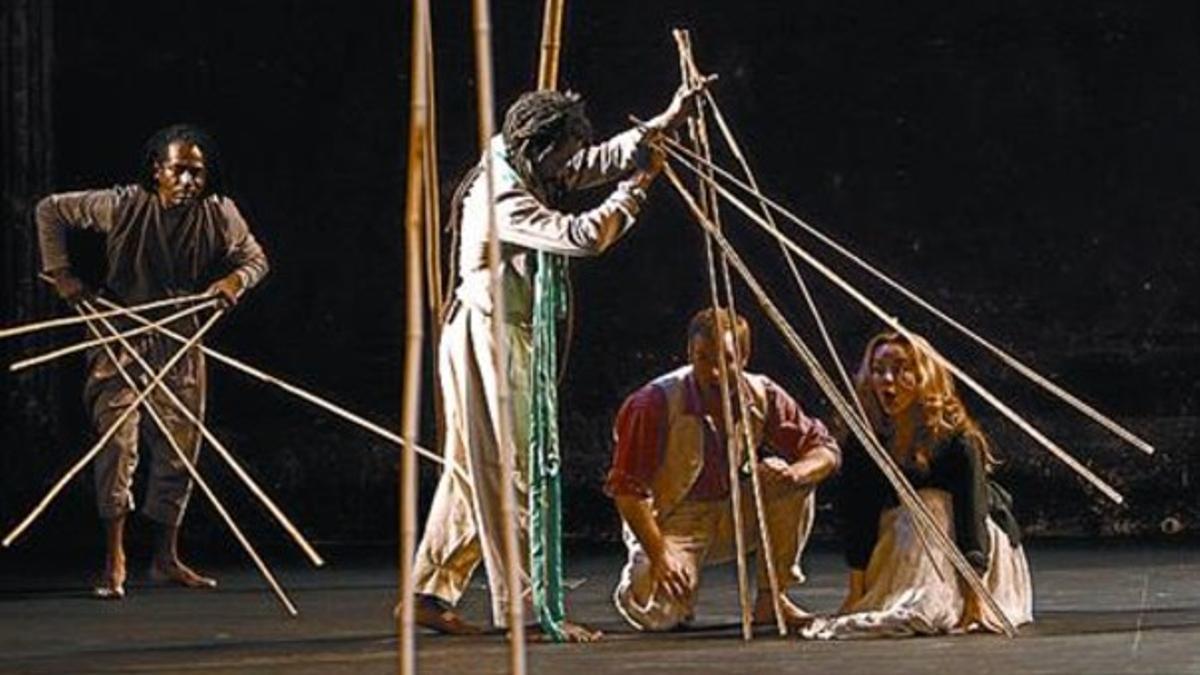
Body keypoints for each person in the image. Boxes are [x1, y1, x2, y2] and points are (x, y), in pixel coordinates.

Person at [411, 84, 704, 642]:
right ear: (536, 146)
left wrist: (662, 123)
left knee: (473, 474)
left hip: (500, 335)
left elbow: (594, 162)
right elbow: (583, 235)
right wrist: (639, 187)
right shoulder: (502, 194)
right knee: (511, 472)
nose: (569, 167)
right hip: (487, 339)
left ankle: (429, 592)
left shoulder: (526, 160)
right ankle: (526, 610)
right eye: (561, 155)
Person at [35, 124, 269, 600]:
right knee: (117, 444)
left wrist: (233, 283)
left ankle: (165, 558)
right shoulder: (121, 204)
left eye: (196, 172)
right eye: (178, 170)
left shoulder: (220, 213)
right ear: (156, 169)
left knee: (180, 448)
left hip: (180, 334)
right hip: (118, 328)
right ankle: (114, 558)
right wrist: (61, 275)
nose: (188, 181)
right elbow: (50, 209)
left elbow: (256, 259)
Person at [607, 308, 840, 632]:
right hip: (673, 519)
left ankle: (771, 598)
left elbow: (824, 449)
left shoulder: (762, 393)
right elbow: (627, 491)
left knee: (786, 476)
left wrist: (796, 473)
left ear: (743, 357)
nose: (714, 372)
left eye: (725, 360)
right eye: (703, 359)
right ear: (690, 353)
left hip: (731, 510)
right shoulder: (654, 402)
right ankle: (646, 579)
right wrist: (659, 553)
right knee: (660, 613)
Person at [804, 331, 1032, 639]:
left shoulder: (958, 442)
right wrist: (857, 594)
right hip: (908, 544)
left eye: (900, 369)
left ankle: (952, 599)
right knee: (915, 508)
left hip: (974, 552)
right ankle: (912, 596)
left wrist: (977, 602)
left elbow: (971, 516)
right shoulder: (866, 441)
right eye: (878, 369)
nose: (887, 379)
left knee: (931, 503)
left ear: (924, 376)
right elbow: (859, 515)